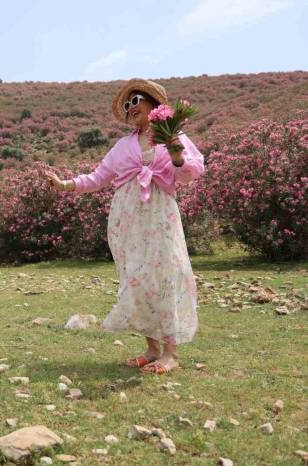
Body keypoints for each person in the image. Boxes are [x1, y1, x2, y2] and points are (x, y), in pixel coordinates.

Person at [45, 79, 204, 375]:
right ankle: (152, 349)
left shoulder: (173, 135)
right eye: (127, 104)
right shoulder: (123, 146)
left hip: (159, 215)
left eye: (137, 101)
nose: (131, 108)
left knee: (166, 275)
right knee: (138, 278)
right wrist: (64, 184)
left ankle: (170, 353)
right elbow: (97, 177)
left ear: (154, 106)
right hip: (129, 219)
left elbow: (193, 171)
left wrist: (176, 153)